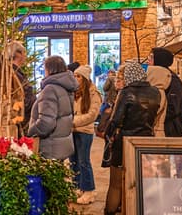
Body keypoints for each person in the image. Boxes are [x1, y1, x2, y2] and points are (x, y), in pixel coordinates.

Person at [101, 61, 160, 215]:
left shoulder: (127, 92)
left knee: (115, 183)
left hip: (125, 141)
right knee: (141, 181)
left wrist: (107, 135)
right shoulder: (155, 92)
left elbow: (116, 120)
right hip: (146, 141)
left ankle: (110, 211)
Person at [26, 56, 78, 160]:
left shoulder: (50, 89)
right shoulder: (65, 87)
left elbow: (46, 122)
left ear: (49, 69)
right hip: (61, 145)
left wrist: (31, 131)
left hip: (49, 147)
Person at [71, 65, 102, 205]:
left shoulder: (93, 93)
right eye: (74, 76)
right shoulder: (74, 92)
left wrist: (74, 122)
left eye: (78, 76)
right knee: (74, 161)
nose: (75, 78)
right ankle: (78, 187)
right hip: (72, 131)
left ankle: (89, 190)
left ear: (84, 78)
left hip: (85, 131)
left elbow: (92, 114)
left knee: (84, 161)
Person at [149, 47, 182, 137]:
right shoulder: (155, 78)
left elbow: (173, 108)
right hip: (158, 127)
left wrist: (152, 117)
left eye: (151, 57)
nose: (148, 60)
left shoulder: (172, 80)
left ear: (159, 60)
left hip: (170, 129)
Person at [5, 41, 35, 130]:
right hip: (21, 121)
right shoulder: (14, 74)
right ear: (18, 54)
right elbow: (22, 99)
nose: (25, 56)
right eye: (24, 53)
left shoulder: (15, 72)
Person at [146, 65, 171, 137]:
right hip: (157, 131)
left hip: (155, 132)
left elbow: (153, 113)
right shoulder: (160, 91)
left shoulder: (158, 92)